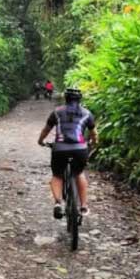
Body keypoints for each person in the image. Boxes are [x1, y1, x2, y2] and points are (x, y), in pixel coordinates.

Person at [37, 86, 97, 220]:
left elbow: (46, 130)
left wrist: (41, 141)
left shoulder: (57, 112)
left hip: (60, 148)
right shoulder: (87, 113)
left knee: (57, 175)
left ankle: (58, 203)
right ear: (79, 99)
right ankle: (83, 205)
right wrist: (93, 143)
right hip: (80, 149)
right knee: (79, 173)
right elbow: (94, 133)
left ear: (66, 98)